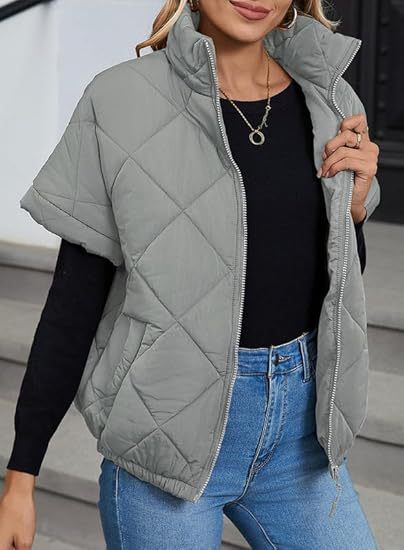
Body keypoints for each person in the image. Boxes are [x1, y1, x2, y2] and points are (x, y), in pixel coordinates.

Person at [0, 0, 381, 548]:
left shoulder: (330, 98)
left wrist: (353, 211)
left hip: (300, 442)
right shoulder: (119, 100)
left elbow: (335, 283)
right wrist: (22, 477)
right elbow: (74, 300)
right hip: (166, 440)